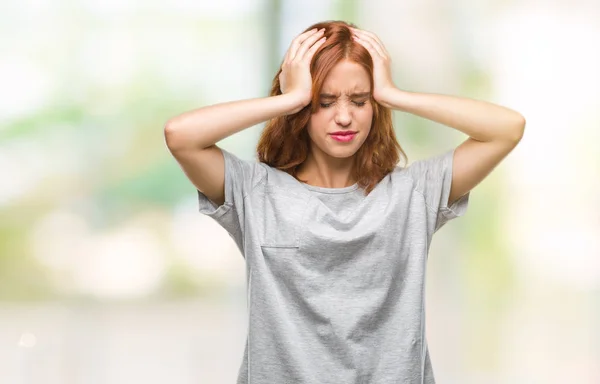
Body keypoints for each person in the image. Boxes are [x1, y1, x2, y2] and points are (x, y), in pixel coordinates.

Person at [164, 20, 525, 384]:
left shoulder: (414, 193)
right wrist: (289, 99)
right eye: (323, 101)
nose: (344, 116)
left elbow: (506, 129)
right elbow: (180, 136)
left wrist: (394, 94)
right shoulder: (255, 191)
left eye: (359, 100)